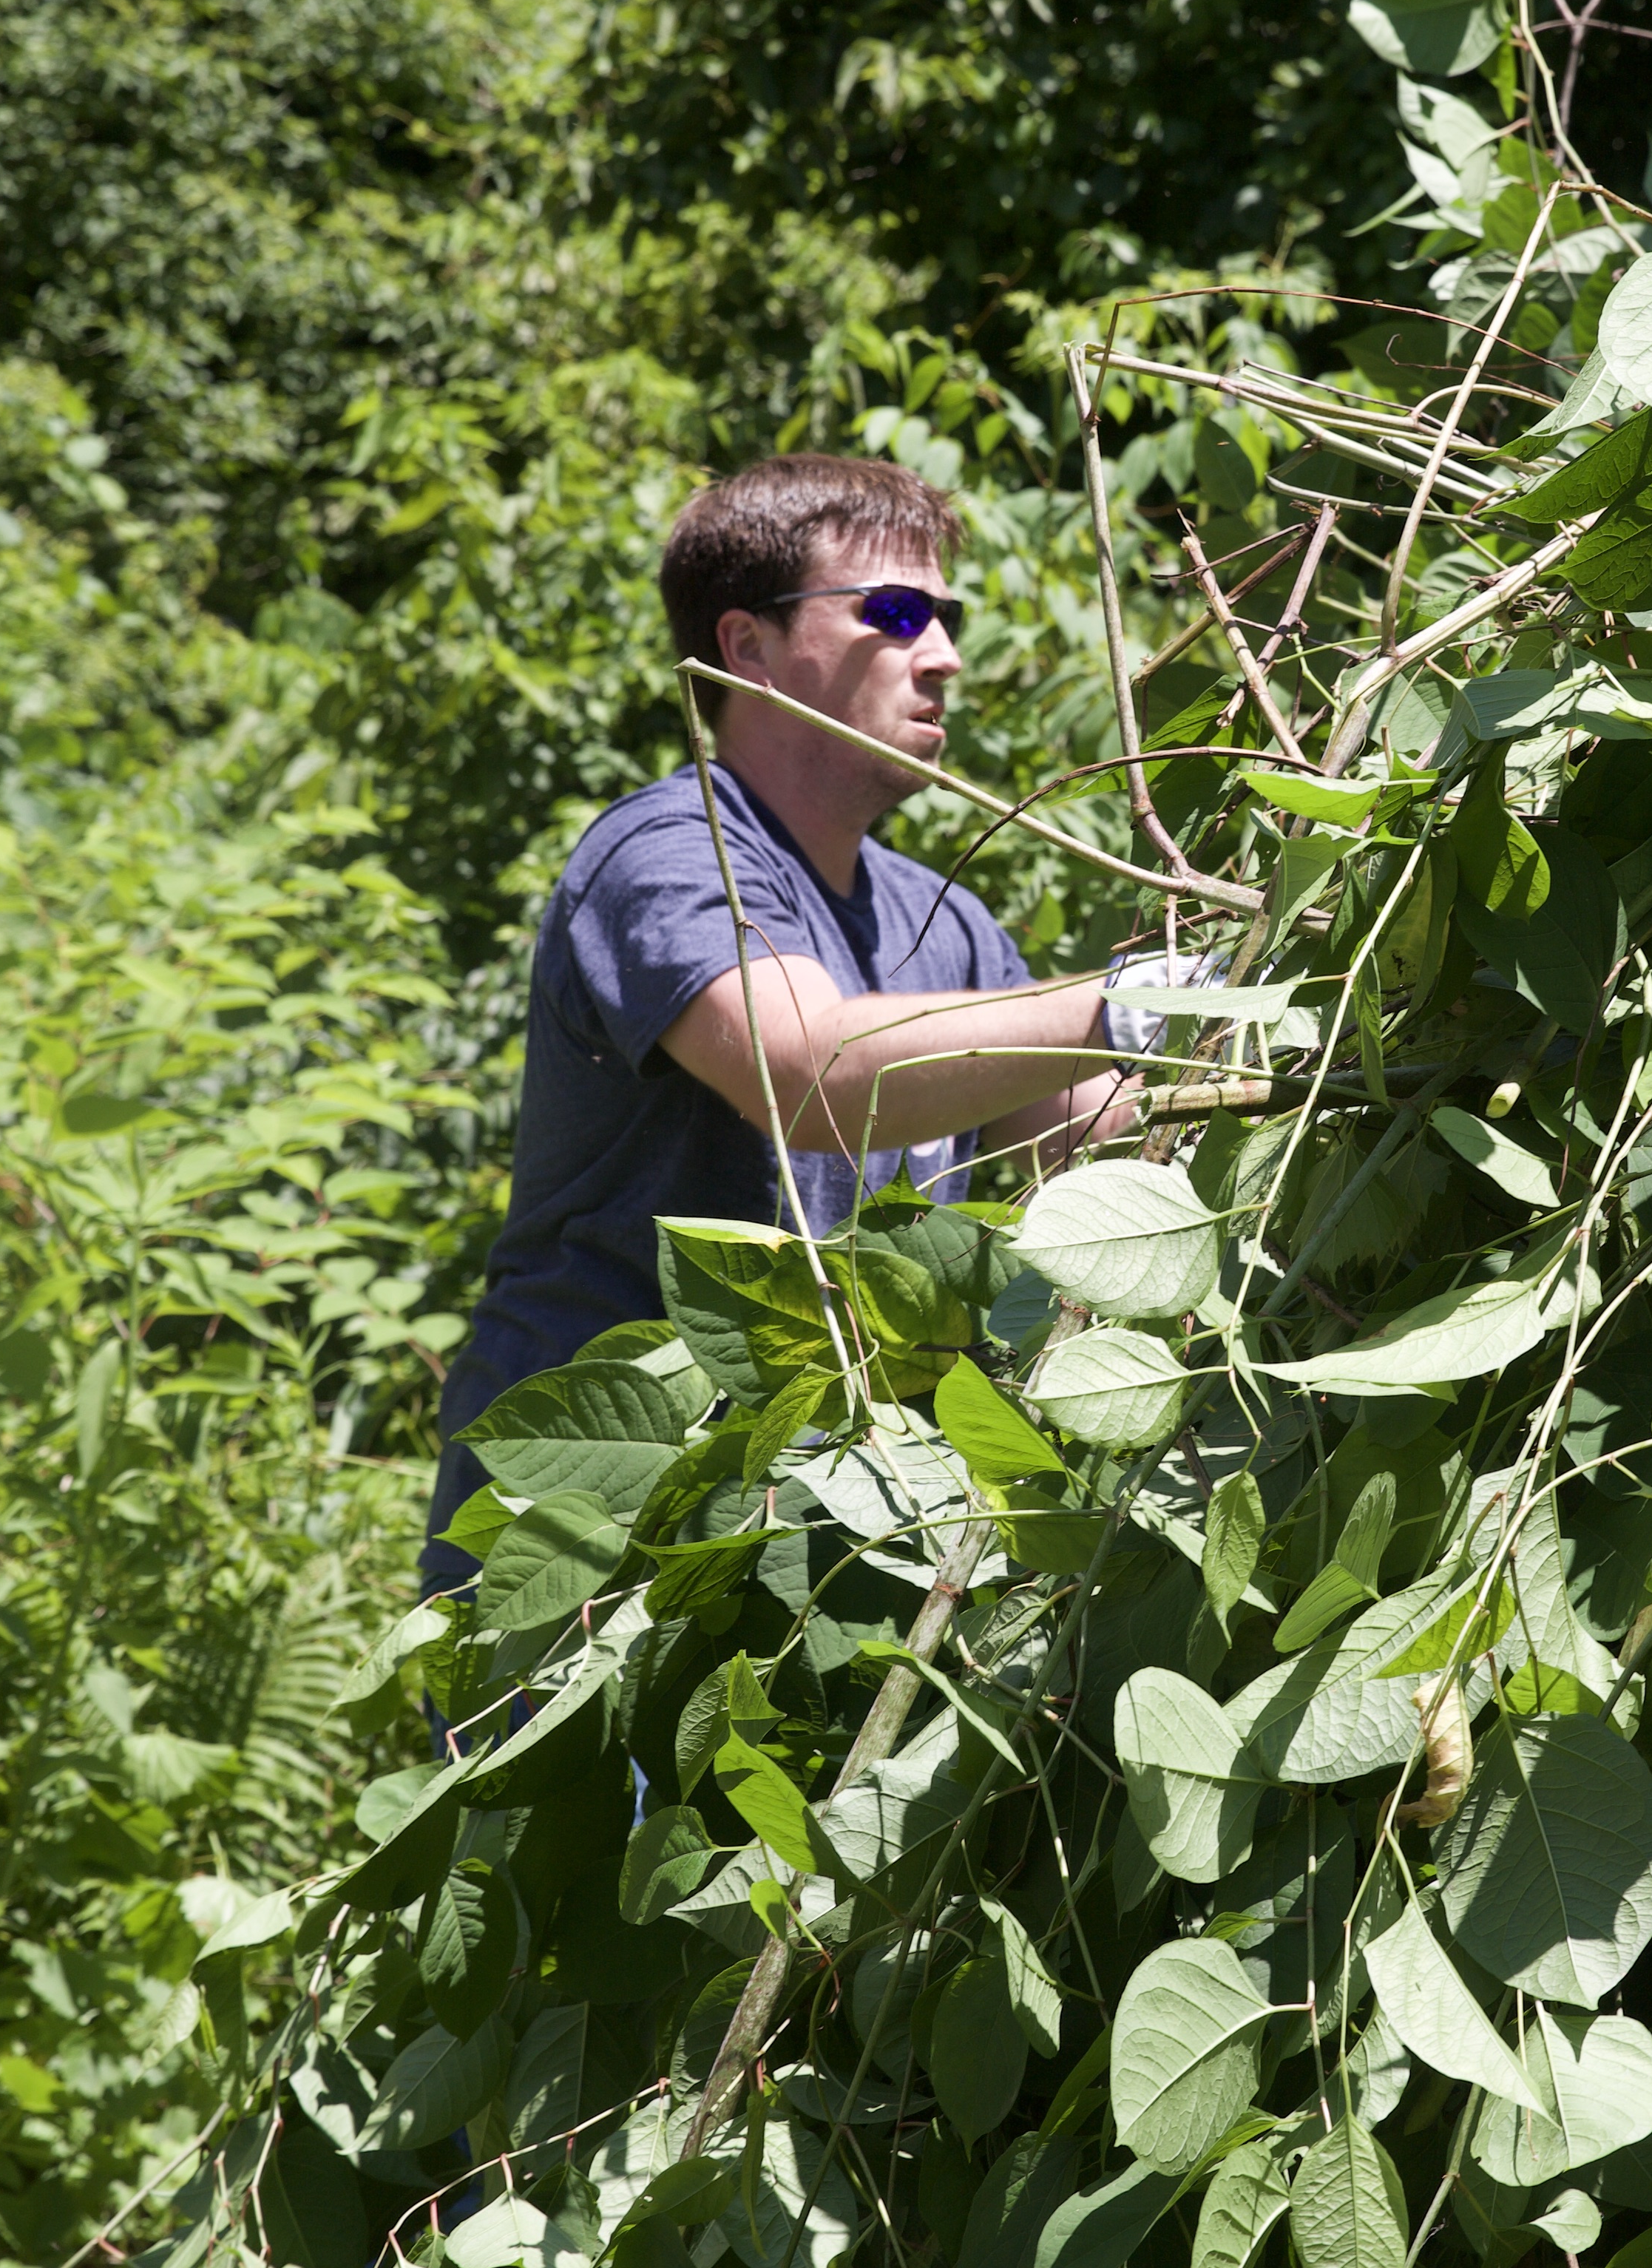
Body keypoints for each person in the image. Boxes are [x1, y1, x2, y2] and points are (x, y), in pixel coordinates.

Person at [422, 453, 1181, 1589]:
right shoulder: (670, 853)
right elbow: (812, 1076)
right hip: (596, 1542)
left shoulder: (949, 924)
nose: (947, 655)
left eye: (947, 616)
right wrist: (1138, 1002)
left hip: (828, 1540)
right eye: (896, 611)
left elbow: (1086, 1138)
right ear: (749, 647)